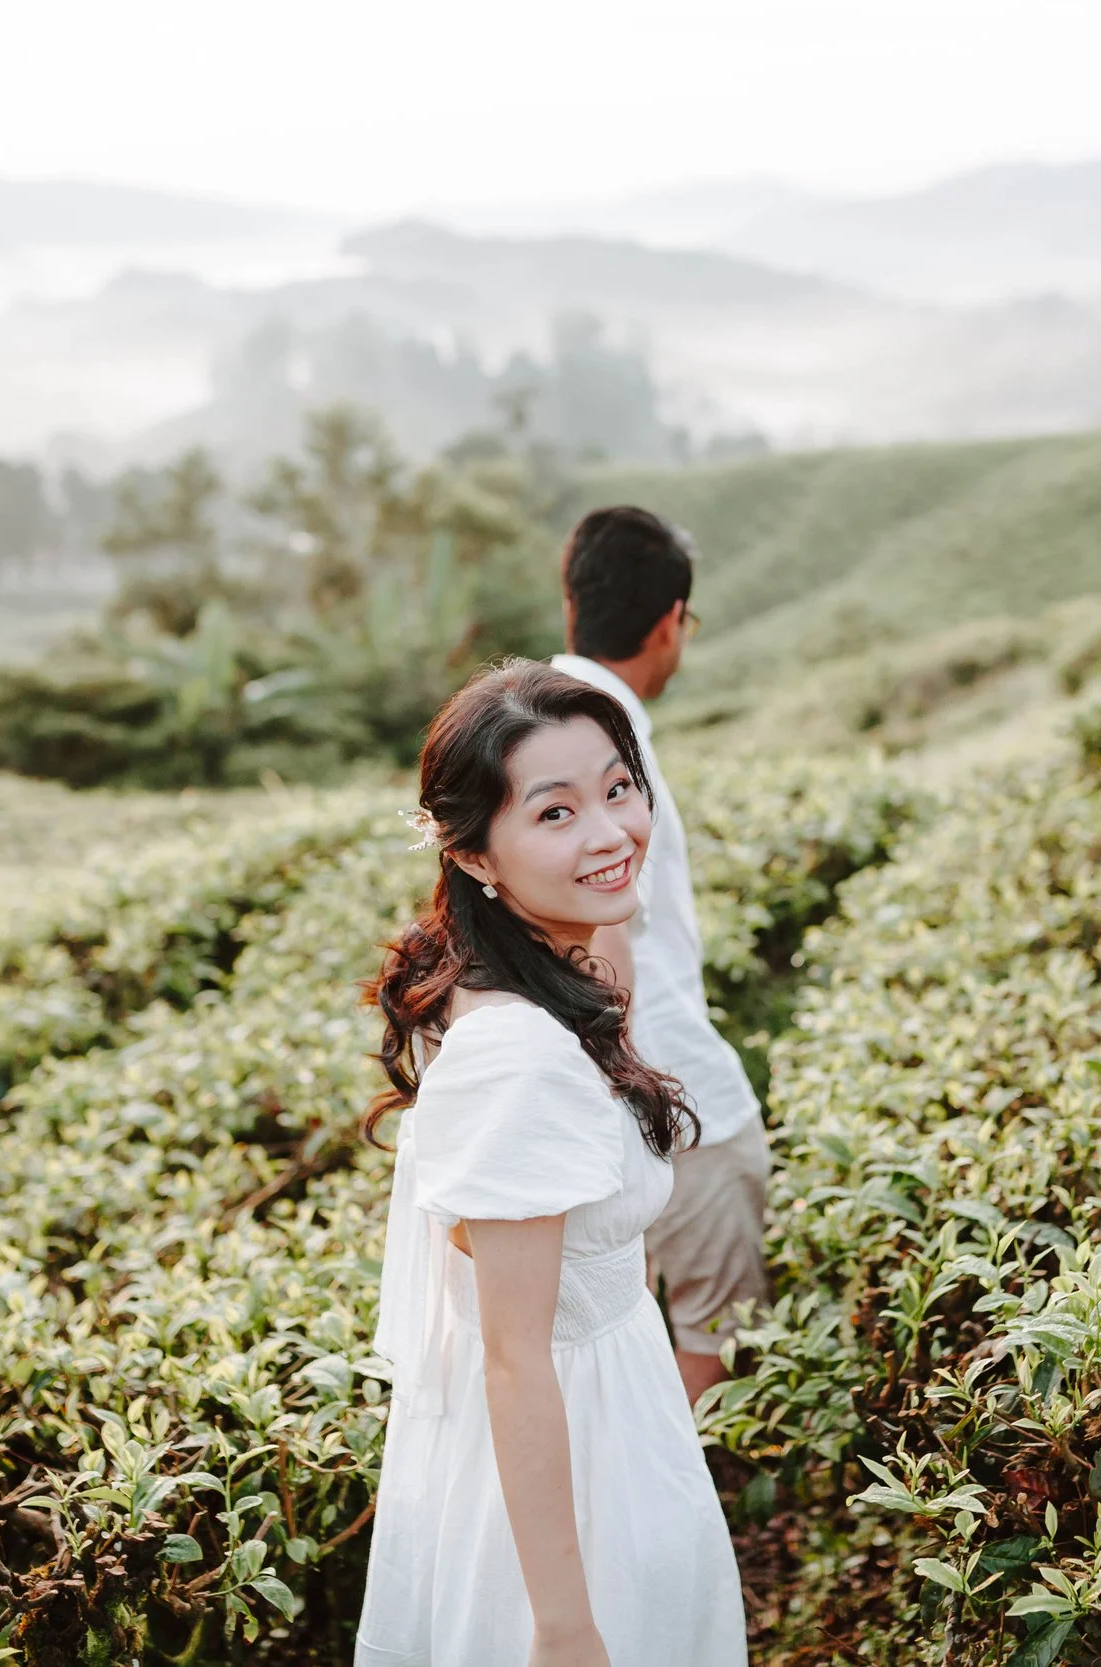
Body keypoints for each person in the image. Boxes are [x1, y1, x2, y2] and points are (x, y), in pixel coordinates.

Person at [356, 660, 748, 1667]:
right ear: (477, 853)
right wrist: (563, 1623)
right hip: (572, 1447)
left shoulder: (567, 951)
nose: (611, 832)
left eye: (619, 787)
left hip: (624, 1395)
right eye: (555, 811)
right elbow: (513, 1354)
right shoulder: (517, 1052)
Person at [550, 506, 768, 1406]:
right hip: (667, 1088)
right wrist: (623, 1084)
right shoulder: (600, 735)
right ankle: (663, 1524)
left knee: (618, 1338)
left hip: (608, 1090)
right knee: (714, 1347)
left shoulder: (540, 714)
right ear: (671, 619)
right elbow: (600, 931)